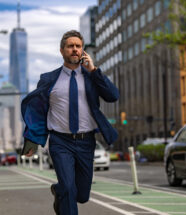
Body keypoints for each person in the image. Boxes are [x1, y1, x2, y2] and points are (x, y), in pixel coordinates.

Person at [21, 30, 119, 215]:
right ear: (62, 50)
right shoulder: (49, 79)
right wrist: (31, 140)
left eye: (78, 46)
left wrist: (94, 70)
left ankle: (58, 192)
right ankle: (63, 191)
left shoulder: (92, 77)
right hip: (60, 142)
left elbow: (113, 96)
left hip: (86, 141)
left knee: (82, 195)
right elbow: (37, 111)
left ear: (83, 51)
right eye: (70, 46)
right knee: (68, 187)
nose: (74, 49)